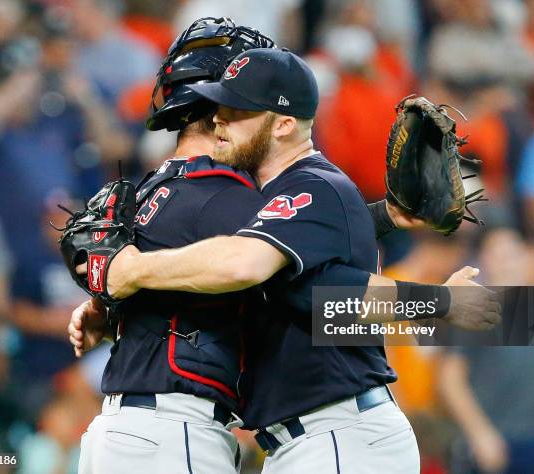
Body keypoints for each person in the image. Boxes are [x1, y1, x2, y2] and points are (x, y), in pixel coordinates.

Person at [72, 47, 499, 473]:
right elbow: (316, 303)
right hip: (314, 441)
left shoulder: (311, 184)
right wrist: (114, 319)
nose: (219, 119)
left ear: (284, 124)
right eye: (220, 106)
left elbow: (290, 284)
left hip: (338, 436)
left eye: (237, 111)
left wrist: (129, 271)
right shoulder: (278, 203)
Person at [72, 18, 274, 474]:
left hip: (124, 433)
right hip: (172, 435)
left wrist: (103, 315)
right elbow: (326, 287)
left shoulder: (149, 192)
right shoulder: (224, 194)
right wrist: (438, 309)